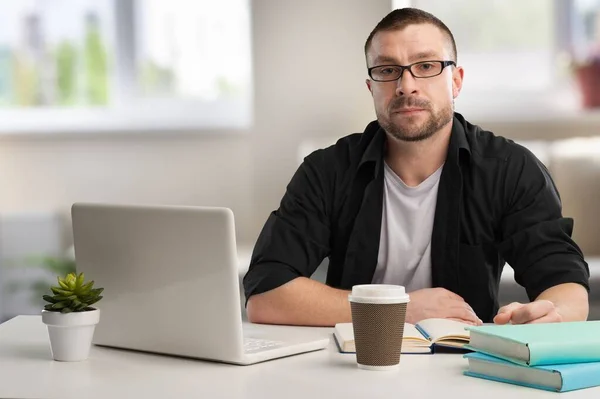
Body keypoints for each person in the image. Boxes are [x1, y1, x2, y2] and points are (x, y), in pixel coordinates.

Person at [242, 8, 590, 327]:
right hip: (354, 361)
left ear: (456, 81)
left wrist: (551, 316)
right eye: (387, 70)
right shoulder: (327, 170)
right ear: (371, 87)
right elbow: (265, 294)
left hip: (462, 364)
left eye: (426, 66)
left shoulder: (510, 170)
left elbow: (563, 282)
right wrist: (400, 308)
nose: (405, 85)